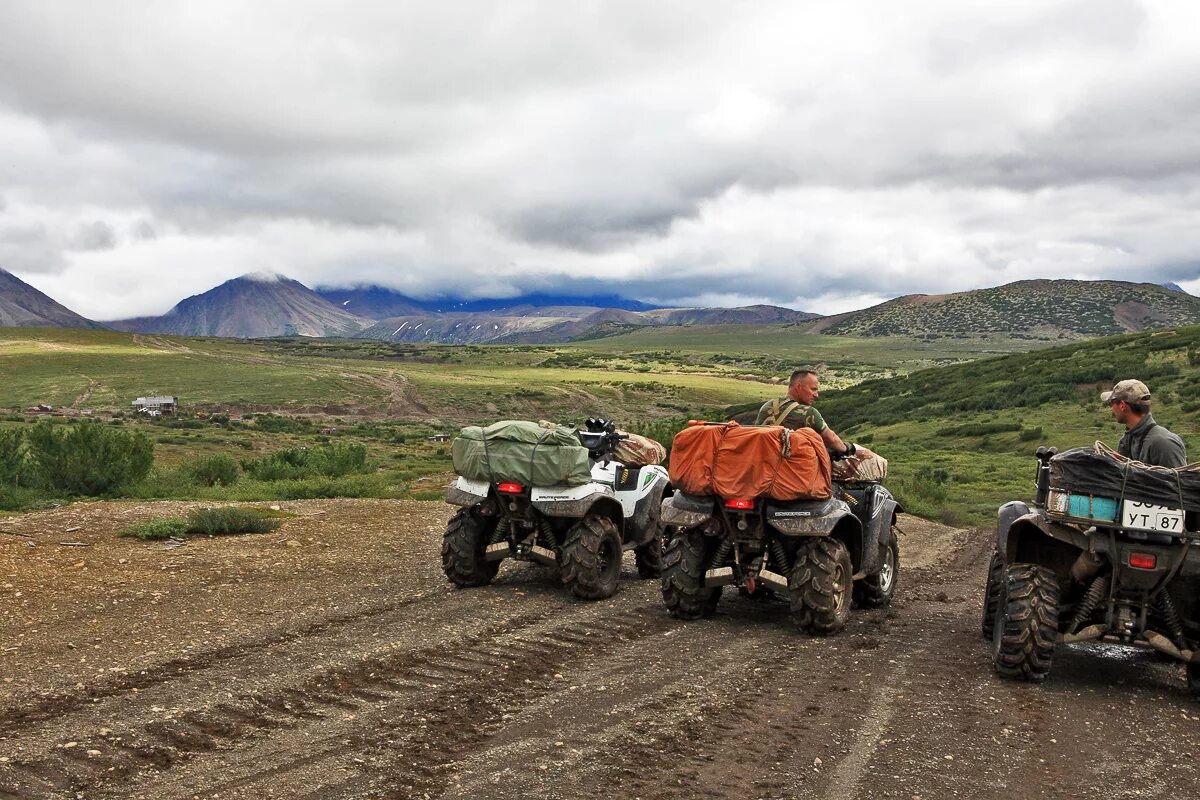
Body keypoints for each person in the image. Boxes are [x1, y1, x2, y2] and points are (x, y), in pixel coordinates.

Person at [755, 368, 854, 457]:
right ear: (799, 387)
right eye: (813, 389)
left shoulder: (767, 406)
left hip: (764, 465)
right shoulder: (808, 413)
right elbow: (832, 440)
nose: (816, 395)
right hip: (790, 469)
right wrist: (848, 448)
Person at [1102, 379, 1187, 467]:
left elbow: (1178, 480)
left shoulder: (1165, 443)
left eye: (1111, 403)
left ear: (1122, 405)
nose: (1111, 408)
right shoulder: (1127, 439)